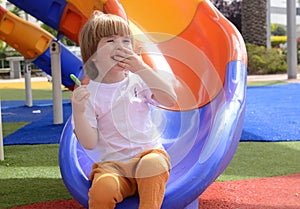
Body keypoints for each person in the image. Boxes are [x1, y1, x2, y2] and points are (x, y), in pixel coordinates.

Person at [71, 11, 177, 209]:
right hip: (113, 166)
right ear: (93, 56)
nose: (121, 46)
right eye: (110, 41)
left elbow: (170, 99)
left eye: (126, 41)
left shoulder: (139, 80)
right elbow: (89, 142)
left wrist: (142, 68)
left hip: (148, 154)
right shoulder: (90, 94)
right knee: (103, 189)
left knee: (153, 166)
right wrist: (78, 111)